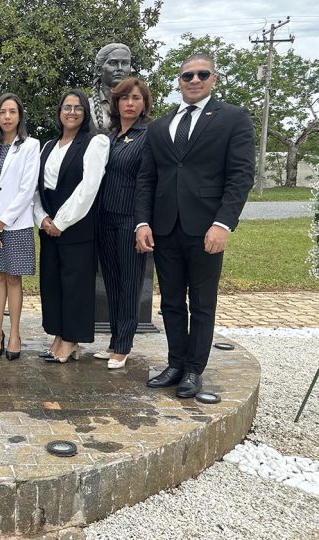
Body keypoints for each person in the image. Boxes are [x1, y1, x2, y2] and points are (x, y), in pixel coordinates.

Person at [135, 54, 255, 397]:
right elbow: (147, 178)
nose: (194, 79)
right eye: (188, 75)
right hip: (165, 227)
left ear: (213, 78)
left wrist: (223, 224)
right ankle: (175, 363)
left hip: (206, 228)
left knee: (202, 302)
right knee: (170, 301)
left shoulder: (233, 118)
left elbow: (241, 176)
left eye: (202, 73)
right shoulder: (160, 126)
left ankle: (193, 369)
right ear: (179, 81)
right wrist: (143, 222)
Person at [33, 89, 109, 363]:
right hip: (48, 225)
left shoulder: (94, 142)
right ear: (59, 111)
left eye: (78, 107)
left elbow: (88, 189)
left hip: (76, 226)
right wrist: (41, 218)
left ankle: (71, 340)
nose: (72, 112)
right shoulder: (48, 146)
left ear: (85, 112)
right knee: (53, 284)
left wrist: (61, 223)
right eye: (67, 107)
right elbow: (37, 188)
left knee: (75, 285)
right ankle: (58, 336)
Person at [0, 94, 40, 360]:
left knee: (14, 278)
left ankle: (14, 333)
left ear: (20, 116)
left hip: (14, 225)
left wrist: (1, 224)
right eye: (2, 112)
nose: (7, 117)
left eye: (12, 111)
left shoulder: (30, 146)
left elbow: (27, 190)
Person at [95, 77, 152, 370]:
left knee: (130, 284)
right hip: (105, 218)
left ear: (144, 103)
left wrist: (144, 222)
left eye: (136, 98)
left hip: (130, 218)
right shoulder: (112, 135)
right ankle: (114, 339)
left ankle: (124, 345)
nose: (130, 103)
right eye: (125, 98)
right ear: (116, 103)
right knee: (112, 283)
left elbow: (147, 182)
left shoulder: (148, 136)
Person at [89, 43, 132, 134]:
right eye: (113, 63)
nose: (120, 68)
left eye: (124, 63)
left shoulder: (138, 105)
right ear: (99, 70)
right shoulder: (87, 106)